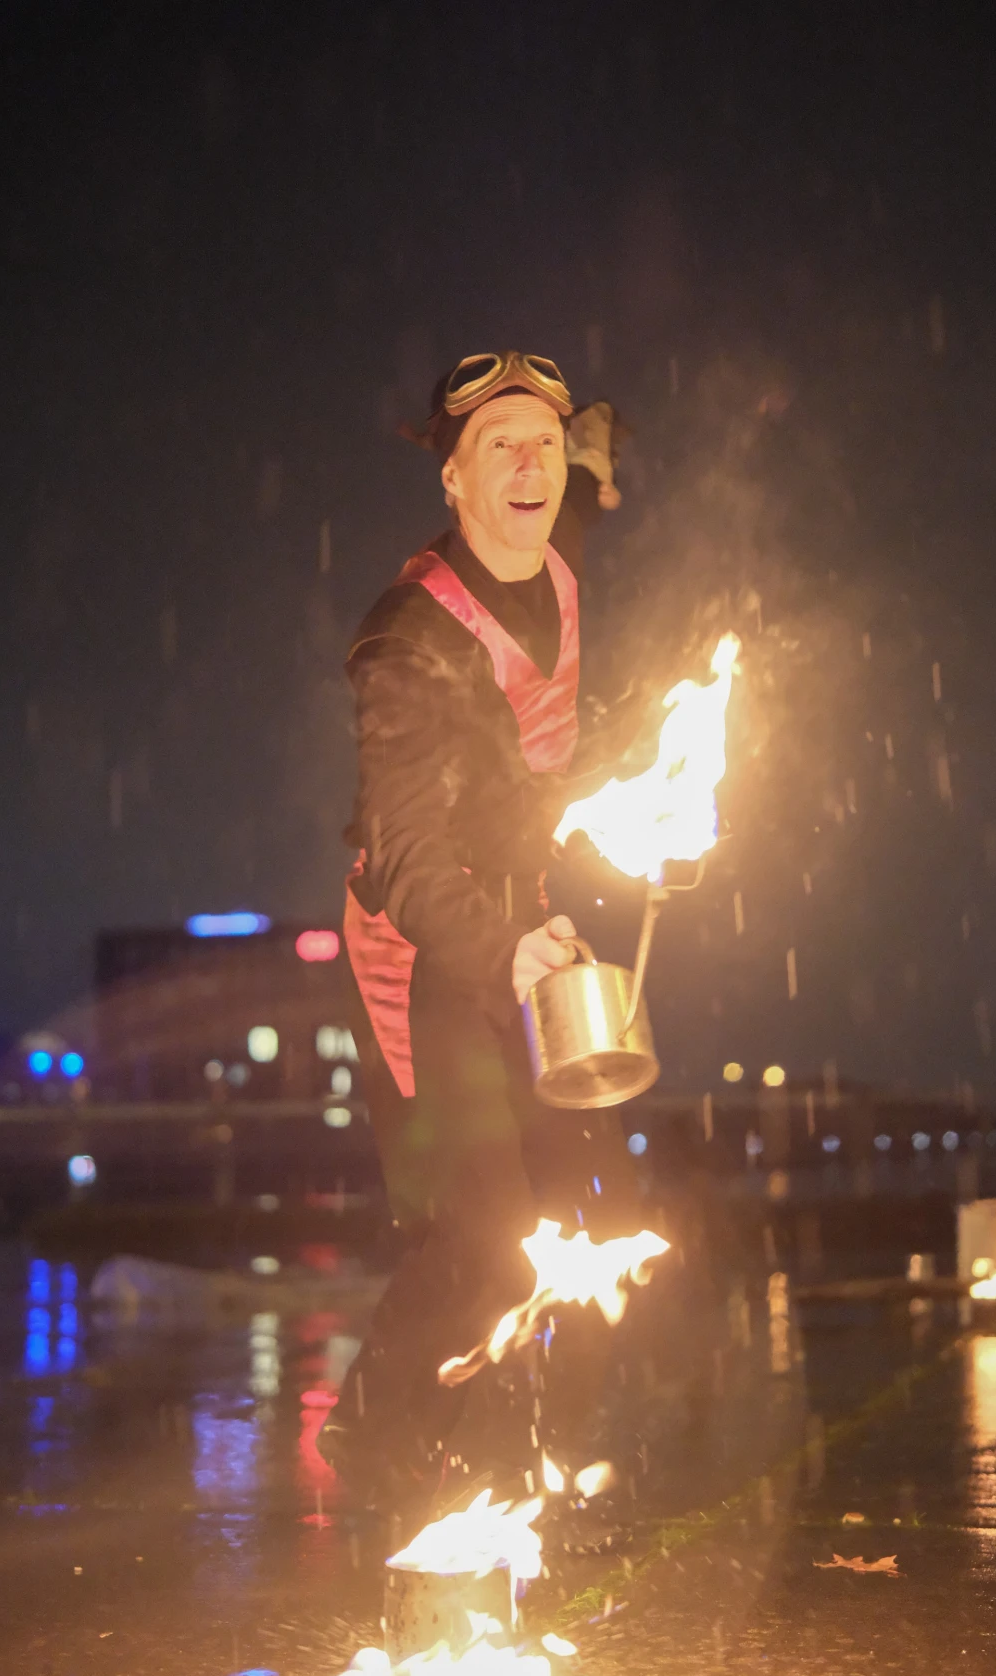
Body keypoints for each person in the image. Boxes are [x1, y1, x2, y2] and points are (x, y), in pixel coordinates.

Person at [320, 351, 635, 1508]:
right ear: (450, 481)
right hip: (424, 947)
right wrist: (498, 946)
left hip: (524, 920)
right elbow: (401, 852)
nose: (528, 463)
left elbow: (591, 473)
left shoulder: (555, 545)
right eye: (496, 443)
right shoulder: (406, 640)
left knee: (595, 1199)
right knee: (486, 1223)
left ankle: (522, 1445)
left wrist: (646, 823)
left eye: (542, 443)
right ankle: (377, 1428)